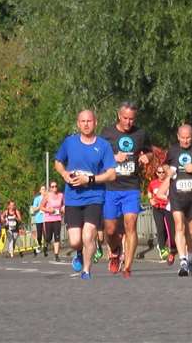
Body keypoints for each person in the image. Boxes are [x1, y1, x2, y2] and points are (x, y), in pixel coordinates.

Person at [54, 108, 119, 280]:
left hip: (94, 196)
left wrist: (89, 180)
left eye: (89, 121)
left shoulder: (103, 146)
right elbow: (58, 162)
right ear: (78, 124)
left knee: (89, 234)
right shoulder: (70, 142)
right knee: (75, 241)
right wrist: (64, 174)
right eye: (83, 121)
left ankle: (86, 270)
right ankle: (79, 253)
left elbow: (112, 174)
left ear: (95, 122)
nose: (86, 124)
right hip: (73, 197)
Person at [99, 102, 158, 278]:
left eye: (132, 119)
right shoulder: (107, 133)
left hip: (131, 187)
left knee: (130, 224)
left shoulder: (140, 134)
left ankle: (128, 267)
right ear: (119, 116)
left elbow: (149, 152)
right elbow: (98, 157)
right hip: (111, 187)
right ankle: (115, 251)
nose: (128, 122)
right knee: (110, 230)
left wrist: (146, 157)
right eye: (125, 118)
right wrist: (113, 157)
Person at [164, 123, 192, 277]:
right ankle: (182, 262)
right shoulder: (173, 150)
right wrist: (168, 170)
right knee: (179, 226)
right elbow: (165, 165)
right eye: (183, 138)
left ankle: (190, 258)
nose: (186, 141)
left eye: (188, 138)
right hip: (176, 196)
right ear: (178, 137)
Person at [40, 181, 64, 262]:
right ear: (50, 188)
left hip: (57, 218)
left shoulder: (61, 195)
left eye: (56, 186)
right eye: (52, 186)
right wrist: (48, 210)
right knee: (49, 237)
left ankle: (56, 255)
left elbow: (63, 204)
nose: (54, 188)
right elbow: (41, 207)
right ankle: (46, 246)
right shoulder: (47, 196)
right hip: (49, 219)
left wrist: (63, 208)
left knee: (57, 237)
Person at [29, 185, 46, 258]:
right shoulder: (37, 199)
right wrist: (40, 206)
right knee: (39, 235)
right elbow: (34, 209)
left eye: (45, 189)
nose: (44, 190)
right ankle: (39, 245)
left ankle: (45, 247)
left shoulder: (48, 198)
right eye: (42, 189)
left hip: (46, 218)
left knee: (46, 234)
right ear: (40, 191)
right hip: (39, 218)